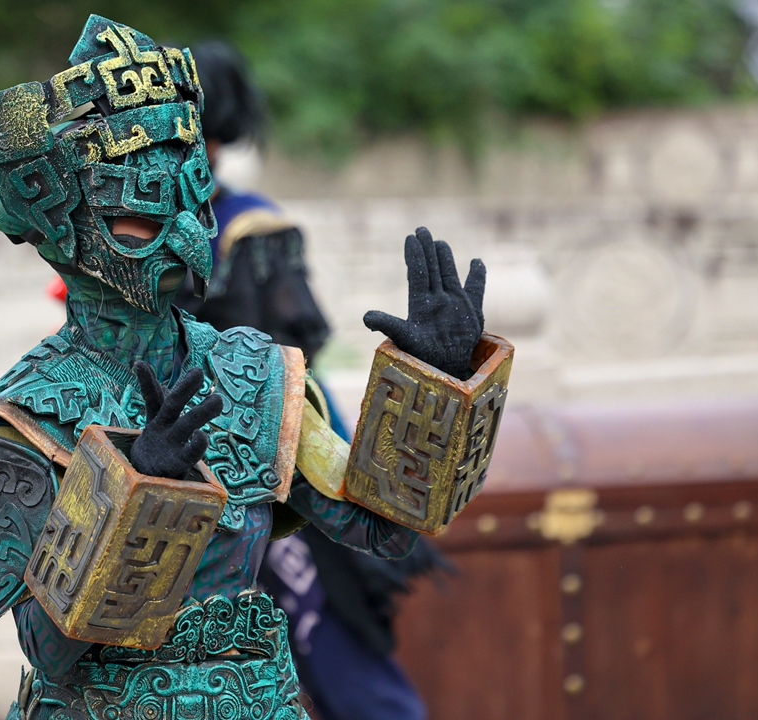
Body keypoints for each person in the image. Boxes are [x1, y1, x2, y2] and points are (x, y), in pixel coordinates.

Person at [0, 15, 492, 720]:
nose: (179, 231)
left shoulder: (253, 375)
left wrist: (434, 388)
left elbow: (379, 525)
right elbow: (47, 649)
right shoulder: (29, 414)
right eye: (138, 215)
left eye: (188, 194)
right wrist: (137, 492)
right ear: (63, 230)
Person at [174, 41, 447, 720]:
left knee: (331, 634)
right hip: (171, 473)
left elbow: (290, 360)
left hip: (272, 454)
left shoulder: (249, 225)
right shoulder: (142, 227)